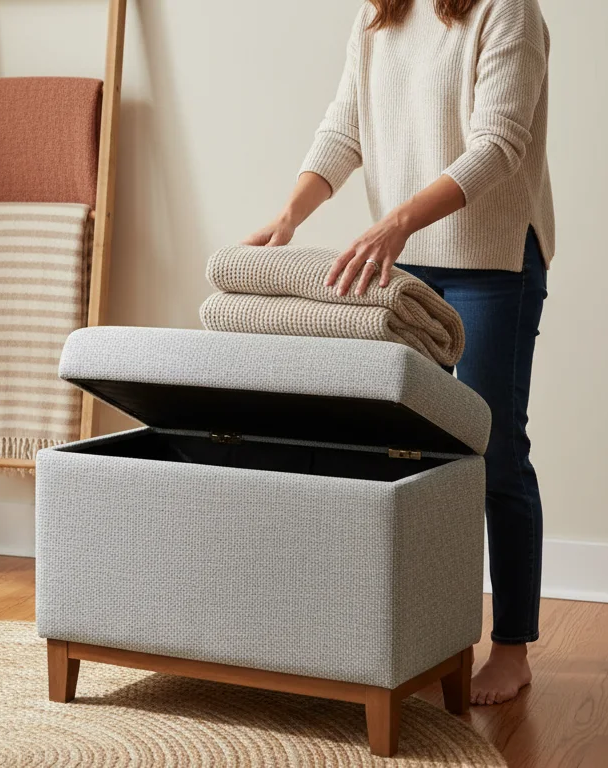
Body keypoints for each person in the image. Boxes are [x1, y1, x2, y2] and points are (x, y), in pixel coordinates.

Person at [246, 0, 553, 705]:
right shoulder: (378, 14)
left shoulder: (506, 9)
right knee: (412, 453)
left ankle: (512, 649)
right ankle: (427, 636)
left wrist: (397, 222)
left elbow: (499, 145)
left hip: (491, 264)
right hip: (404, 260)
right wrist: (290, 217)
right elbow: (345, 128)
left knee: (494, 451)